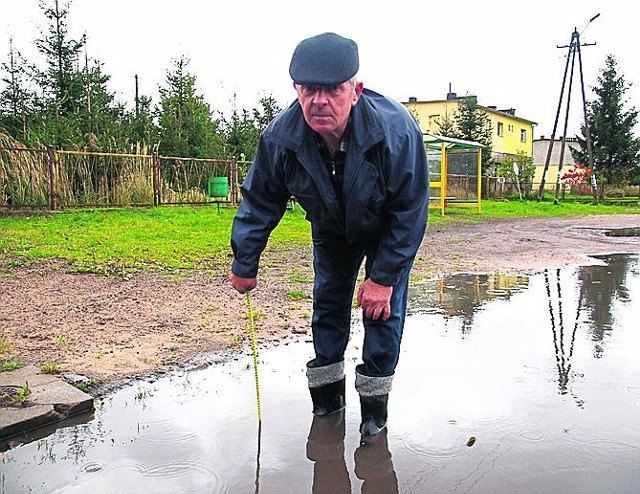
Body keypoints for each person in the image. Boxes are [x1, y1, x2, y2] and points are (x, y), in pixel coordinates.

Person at [229, 32, 428, 436]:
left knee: (382, 314)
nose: (320, 101)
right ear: (296, 90)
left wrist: (383, 277)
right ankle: (328, 408)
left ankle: (374, 421)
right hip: (331, 226)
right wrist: (245, 261)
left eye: (332, 90)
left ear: (355, 90)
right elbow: (260, 200)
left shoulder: (396, 132)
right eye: (309, 90)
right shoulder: (281, 138)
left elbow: (410, 210)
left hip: (386, 227)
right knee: (328, 306)